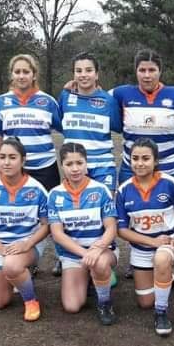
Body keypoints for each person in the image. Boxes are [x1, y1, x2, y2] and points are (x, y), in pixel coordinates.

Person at [109, 49, 174, 278]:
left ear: (160, 71)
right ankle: (138, 258)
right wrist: (73, 87)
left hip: (172, 166)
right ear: (136, 71)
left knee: (169, 210)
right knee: (133, 212)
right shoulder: (121, 94)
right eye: (142, 70)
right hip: (133, 167)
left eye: (152, 70)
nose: (147, 75)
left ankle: (169, 251)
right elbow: (94, 97)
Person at [55, 52, 122, 278]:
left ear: (97, 74)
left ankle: (104, 258)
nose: (83, 75)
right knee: (71, 212)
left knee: (103, 215)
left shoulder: (108, 101)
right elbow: (58, 123)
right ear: (73, 74)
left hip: (102, 165)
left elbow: (119, 126)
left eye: (88, 70)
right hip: (73, 164)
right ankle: (66, 257)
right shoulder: (65, 97)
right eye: (79, 70)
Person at [116, 139, 174, 336]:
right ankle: (168, 279)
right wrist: (152, 242)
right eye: (135, 158)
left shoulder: (170, 183)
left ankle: (161, 313)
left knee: (161, 258)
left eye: (146, 158)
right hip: (141, 249)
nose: (140, 163)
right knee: (144, 302)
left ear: (155, 161)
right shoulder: (123, 190)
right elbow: (122, 231)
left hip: (166, 246)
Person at [0, 139, 50, 321]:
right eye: (2, 157)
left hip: (28, 244)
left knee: (12, 265)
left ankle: (30, 300)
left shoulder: (37, 189)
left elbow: (47, 225)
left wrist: (27, 244)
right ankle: (16, 278)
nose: (6, 162)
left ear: (23, 161)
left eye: (12, 157)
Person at [47, 143, 118, 325]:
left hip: (101, 251)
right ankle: (90, 278)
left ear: (87, 164)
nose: (75, 168)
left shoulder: (101, 190)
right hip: (73, 256)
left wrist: (98, 248)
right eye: (69, 164)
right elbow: (57, 234)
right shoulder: (55, 195)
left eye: (79, 162)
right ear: (62, 166)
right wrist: (85, 254)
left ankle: (104, 302)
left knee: (100, 264)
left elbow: (111, 228)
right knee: (72, 306)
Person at [0, 54, 62, 192]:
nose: (21, 76)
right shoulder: (0, 102)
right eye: (17, 72)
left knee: (46, 212)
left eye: (26, 72)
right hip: (14, 169)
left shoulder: (49, 102)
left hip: (45, 168)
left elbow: (66, 131)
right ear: (12, 75)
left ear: (34, 75)